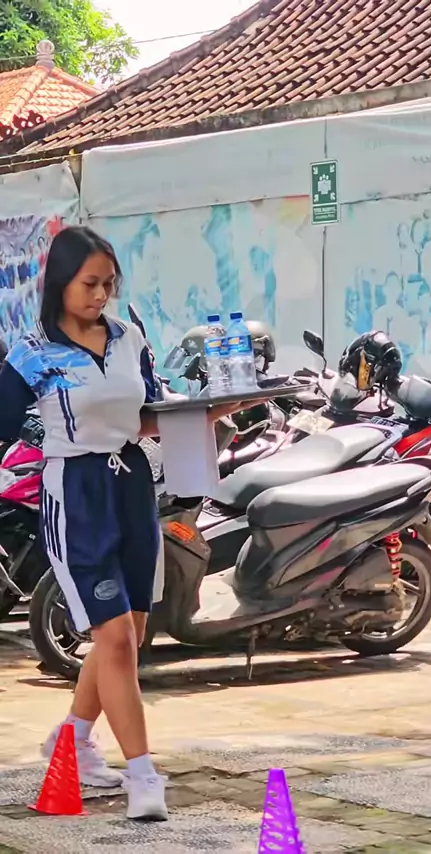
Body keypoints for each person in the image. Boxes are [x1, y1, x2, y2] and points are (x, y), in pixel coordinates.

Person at [0, 225, 257, 821]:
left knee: (133, 633)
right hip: (75, 491)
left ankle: (72, 740)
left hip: (132, 483)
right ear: (61, 282)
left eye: (108, 284)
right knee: (112, 637)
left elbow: (144, 416)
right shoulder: (32, 351)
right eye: (89, 283)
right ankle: (143, 775)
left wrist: (219, 409)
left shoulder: (128, 339)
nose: (100, 295)